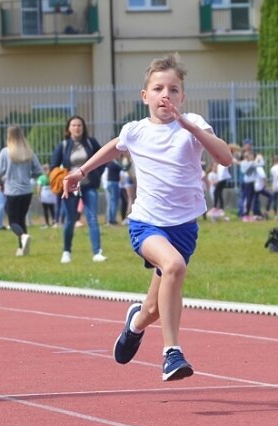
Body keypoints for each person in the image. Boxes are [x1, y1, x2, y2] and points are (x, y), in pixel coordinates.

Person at [63, 54, 232, 381]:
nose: (165, 95)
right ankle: (172, 353)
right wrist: (81, 171)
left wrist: (192, 128)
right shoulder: (136, 130)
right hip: (147, 224)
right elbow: (115, 146)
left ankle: (135, 324)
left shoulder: (193, 125)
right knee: (173, 266)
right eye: (158, 88)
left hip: (183, 228)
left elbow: (224, 157)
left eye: (173, 89)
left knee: (155, 308)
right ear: (145, 96)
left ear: (182, 96)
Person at [51, 115, 107, 264]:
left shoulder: (90, 142)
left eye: (79, 125)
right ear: (68, 129)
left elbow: (103, 158)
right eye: (74, 125)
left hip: (89, 186)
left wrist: (96, 174)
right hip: (70, 189)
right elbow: (53, 167)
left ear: (84, 128)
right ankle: (66, 252)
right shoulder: (63, 145)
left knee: (92, 218)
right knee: (70, 220)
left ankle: (97, 252)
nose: (77, 128)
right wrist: (65, 176)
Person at [0, 124, 42, 257]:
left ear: (8, 136)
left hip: (12, 191)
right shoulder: (29, 152)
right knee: (21, 220)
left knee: (13, 221)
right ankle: (22, 249)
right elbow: (39, 171)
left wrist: (0, 182)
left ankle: (23, 236)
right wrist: (27, 177)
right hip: (27, 191)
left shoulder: (5, 152)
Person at [37, 163, 56, 228]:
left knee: (45, 210)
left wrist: (38, 195)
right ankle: (54, 222)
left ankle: (47, 223)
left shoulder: (41, 178)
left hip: (44, 195)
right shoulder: (52, 176)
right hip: (51, 194)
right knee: (52, 209)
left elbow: (39, 187)